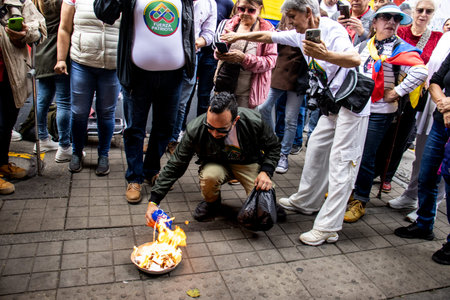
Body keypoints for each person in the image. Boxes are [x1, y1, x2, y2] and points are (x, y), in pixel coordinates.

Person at [222, 0, 365, 246]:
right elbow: (269, 35)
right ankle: (307, 201)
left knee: (341, 163)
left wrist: (325, 54)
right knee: (317, 150)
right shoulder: (302, 34)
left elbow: (354, 59)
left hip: (351, 105)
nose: (289, 21)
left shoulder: (333, 30)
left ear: (307, 13)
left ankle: (328, 227)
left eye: (292, 16)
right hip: (331, 105)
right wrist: (234, 36)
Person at [94, 0, 196, 203]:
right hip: (138, 76)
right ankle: (134, 177)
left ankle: (151, 170)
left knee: (164, 127)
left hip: (173, 75)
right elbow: (104, 13)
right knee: (135, 129)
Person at [344, 4, 428, 223]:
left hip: (381, 111)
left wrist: (398, 91)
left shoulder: (403, 48)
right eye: (386, 17)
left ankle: (360, 199)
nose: (391, 22)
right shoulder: (364, 46)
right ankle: (348, 191)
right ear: (375, 22)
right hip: (359, 108)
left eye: (396, 19)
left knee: (366, 156)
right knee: (352, 152)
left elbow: (420, 71)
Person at [145, 92, 280, 224]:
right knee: (209, 176)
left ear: (235, 120)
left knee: (264, 205)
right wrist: (154, 201)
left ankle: (271, 204)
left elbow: (273, 147)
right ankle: (212, 204)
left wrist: (265, 171)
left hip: (246, 163)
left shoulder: (253, 121)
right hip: (216, 163)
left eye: (221, 129)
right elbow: (175, 165)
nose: (215, 133)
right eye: (210, 127)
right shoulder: (195, 129)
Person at [375, 0, 442, 193]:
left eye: (428, 11)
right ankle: (374, 171)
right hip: (388, 90)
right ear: (413, 12)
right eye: (420, 10)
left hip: (414, 95)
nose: (423, 14)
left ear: (432, 15)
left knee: (401, 137)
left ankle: (388, 176)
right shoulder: (400, 32)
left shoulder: (436, 37)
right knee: (382, 135)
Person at [394, 51, 450, 265]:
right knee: (426, 175)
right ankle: (424, 223)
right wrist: (443, 104)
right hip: (441, 120)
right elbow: (435, 80)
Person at [387, 32, 450, 220]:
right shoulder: (447, 39)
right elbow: (436, 79)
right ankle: (421, 214)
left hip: (443, 112)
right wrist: (444, 105)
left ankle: (431, 209)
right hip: (439, 113)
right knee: (425, 163)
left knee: (444, 169)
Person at [55, 0, 120, 176]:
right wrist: (61, 58)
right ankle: (76, 152)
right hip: (81, 62)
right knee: (78, 112)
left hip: (112, 65)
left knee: (107, 113)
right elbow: (64, 28)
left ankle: (103, 155)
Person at [0, 0, 46, 194]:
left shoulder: (17, 2)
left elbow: (40, 29)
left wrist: (26, 32)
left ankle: (2, 164)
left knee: (7, 122)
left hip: (12, 75)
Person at [257, 14, 308, 174]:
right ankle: (273, 142)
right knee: (263, 107)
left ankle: (283, 154)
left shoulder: (308, 24)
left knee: (290, 119)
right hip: (279, 74)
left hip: (298, 77)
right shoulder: (283, 21)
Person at [167, 0, 217, 155]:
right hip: (167, 56)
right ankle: (158, 140)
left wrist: (196, 42)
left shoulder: (209, 4)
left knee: (181, 103)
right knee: (163, 100)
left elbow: (208, 34)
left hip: (190, 58)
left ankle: (173, 140)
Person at [214, 0, 277, 108]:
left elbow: (270, 61)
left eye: (251, 10)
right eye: (242, 9)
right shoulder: (230, 24)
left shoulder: (267, 30)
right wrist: (219, 53)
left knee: (242, 123)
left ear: (260, 9)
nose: (245, 13)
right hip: (224, 85)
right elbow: (218, 50)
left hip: (248, 93)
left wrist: (244, 59)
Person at [33, 0, 72, 162]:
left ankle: (42, 138)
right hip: (59, 53)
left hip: (42, 53)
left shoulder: (36, 2)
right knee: (64, 102)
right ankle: (64, 146)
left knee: (43, 100)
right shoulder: (64, 2)